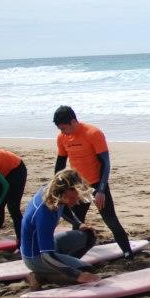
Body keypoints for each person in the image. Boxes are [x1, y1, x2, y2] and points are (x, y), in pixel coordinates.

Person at [52, 105, 134, 260]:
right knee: (77, 220)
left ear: (73, 122)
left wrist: (101, 190)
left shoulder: (93, 133)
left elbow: (105, 163)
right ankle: (77, 254)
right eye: (59, 129)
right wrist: (57, 186)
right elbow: (60, 163)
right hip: (78, 187)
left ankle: (127, 252)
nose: (62, 132)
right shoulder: (62, 138)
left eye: (64, 128)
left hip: (97, 184)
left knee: (110, 219)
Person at [20, 168, 100, 290]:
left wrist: (78, 224)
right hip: (36, 257)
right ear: (63, 192)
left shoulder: (52, 191)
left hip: (49, 246)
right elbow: (47, 256)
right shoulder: (45, 213)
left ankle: (59, 268)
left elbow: (64, 208)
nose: (77, 201)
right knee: (86, 272)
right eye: (73, 198)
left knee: (89, 235)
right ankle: (41, 276)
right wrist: (77, 275)